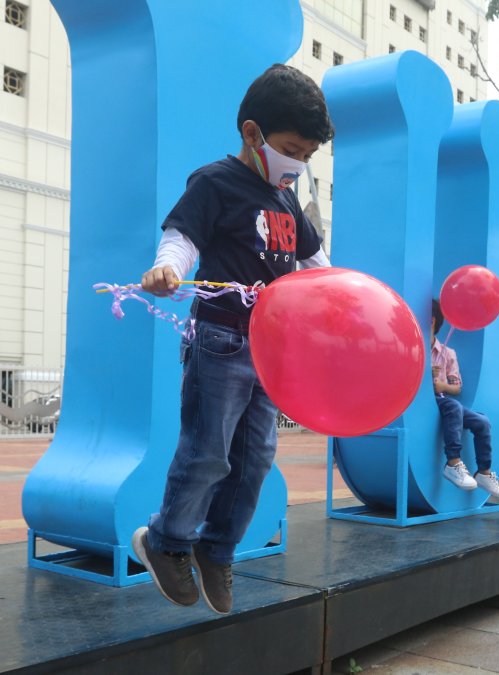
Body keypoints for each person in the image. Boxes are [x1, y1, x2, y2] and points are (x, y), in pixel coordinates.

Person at [131, 64, 334, 614]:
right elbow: (181, 239)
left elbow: (320, 268)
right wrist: (165, 269)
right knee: (207, 453)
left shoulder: (289, 202)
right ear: (252, 134)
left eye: (308, 157)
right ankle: (166, 541)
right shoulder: (215, 182)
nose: (298, 165)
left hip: (271, 353)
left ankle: (216, 549)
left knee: (256, 457)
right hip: (220, 341)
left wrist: (346, 302)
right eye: (292, 150)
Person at [431, 300, 499, 499]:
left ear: (431, 322)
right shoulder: (415, 350)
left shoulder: (448, 354)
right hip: (425, 403)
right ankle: (453, 463)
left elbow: (456, 387)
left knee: (482, 421)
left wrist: (441, 386)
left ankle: (483, 472)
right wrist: (425, 377)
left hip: (442, 399)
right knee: (453, 407)